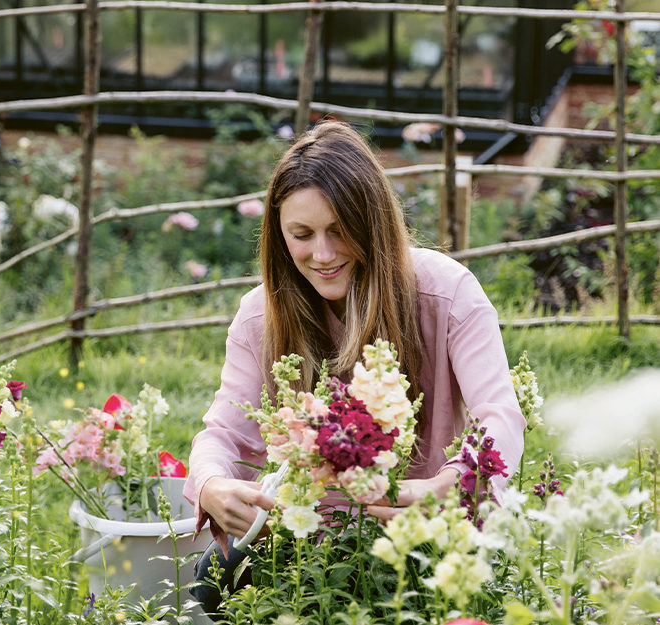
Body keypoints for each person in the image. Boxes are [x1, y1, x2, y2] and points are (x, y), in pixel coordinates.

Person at [183, 120, 525, 615]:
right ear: (279, 236)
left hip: (422, 537)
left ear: (373, 223)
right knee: (210, 583)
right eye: (301, 235)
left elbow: (501, 418)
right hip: (310, 550)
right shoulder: (262, 314)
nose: (321, 255)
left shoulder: (447, 294)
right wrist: (213, 483)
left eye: (340, 232)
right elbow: (223, 434)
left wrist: (443, 486)